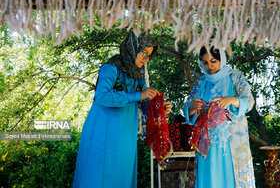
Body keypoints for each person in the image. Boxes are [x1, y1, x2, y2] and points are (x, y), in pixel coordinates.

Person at [73, 32, 171, 188]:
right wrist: (138, 95)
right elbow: (102, 96)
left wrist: (159, 107)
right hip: (102, 133)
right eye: (143, 52)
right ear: (132, 48)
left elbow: (144, 103)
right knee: (98, 177)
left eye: (149, 55)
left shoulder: (139, 74)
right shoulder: (111, 67)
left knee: (121, 178)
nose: (145, 58)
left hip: (125, 136)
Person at [183, 46, 255, 188]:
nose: (209, 66)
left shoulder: (235, 77)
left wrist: (232, 100)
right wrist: (191, 109)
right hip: (206, 145)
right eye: (205, 63)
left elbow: (249, 101)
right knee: (209, 180)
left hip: (231, 141)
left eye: (213, 61)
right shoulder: (200, 82)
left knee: (232, 179)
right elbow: (188, 105)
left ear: (222, 59)